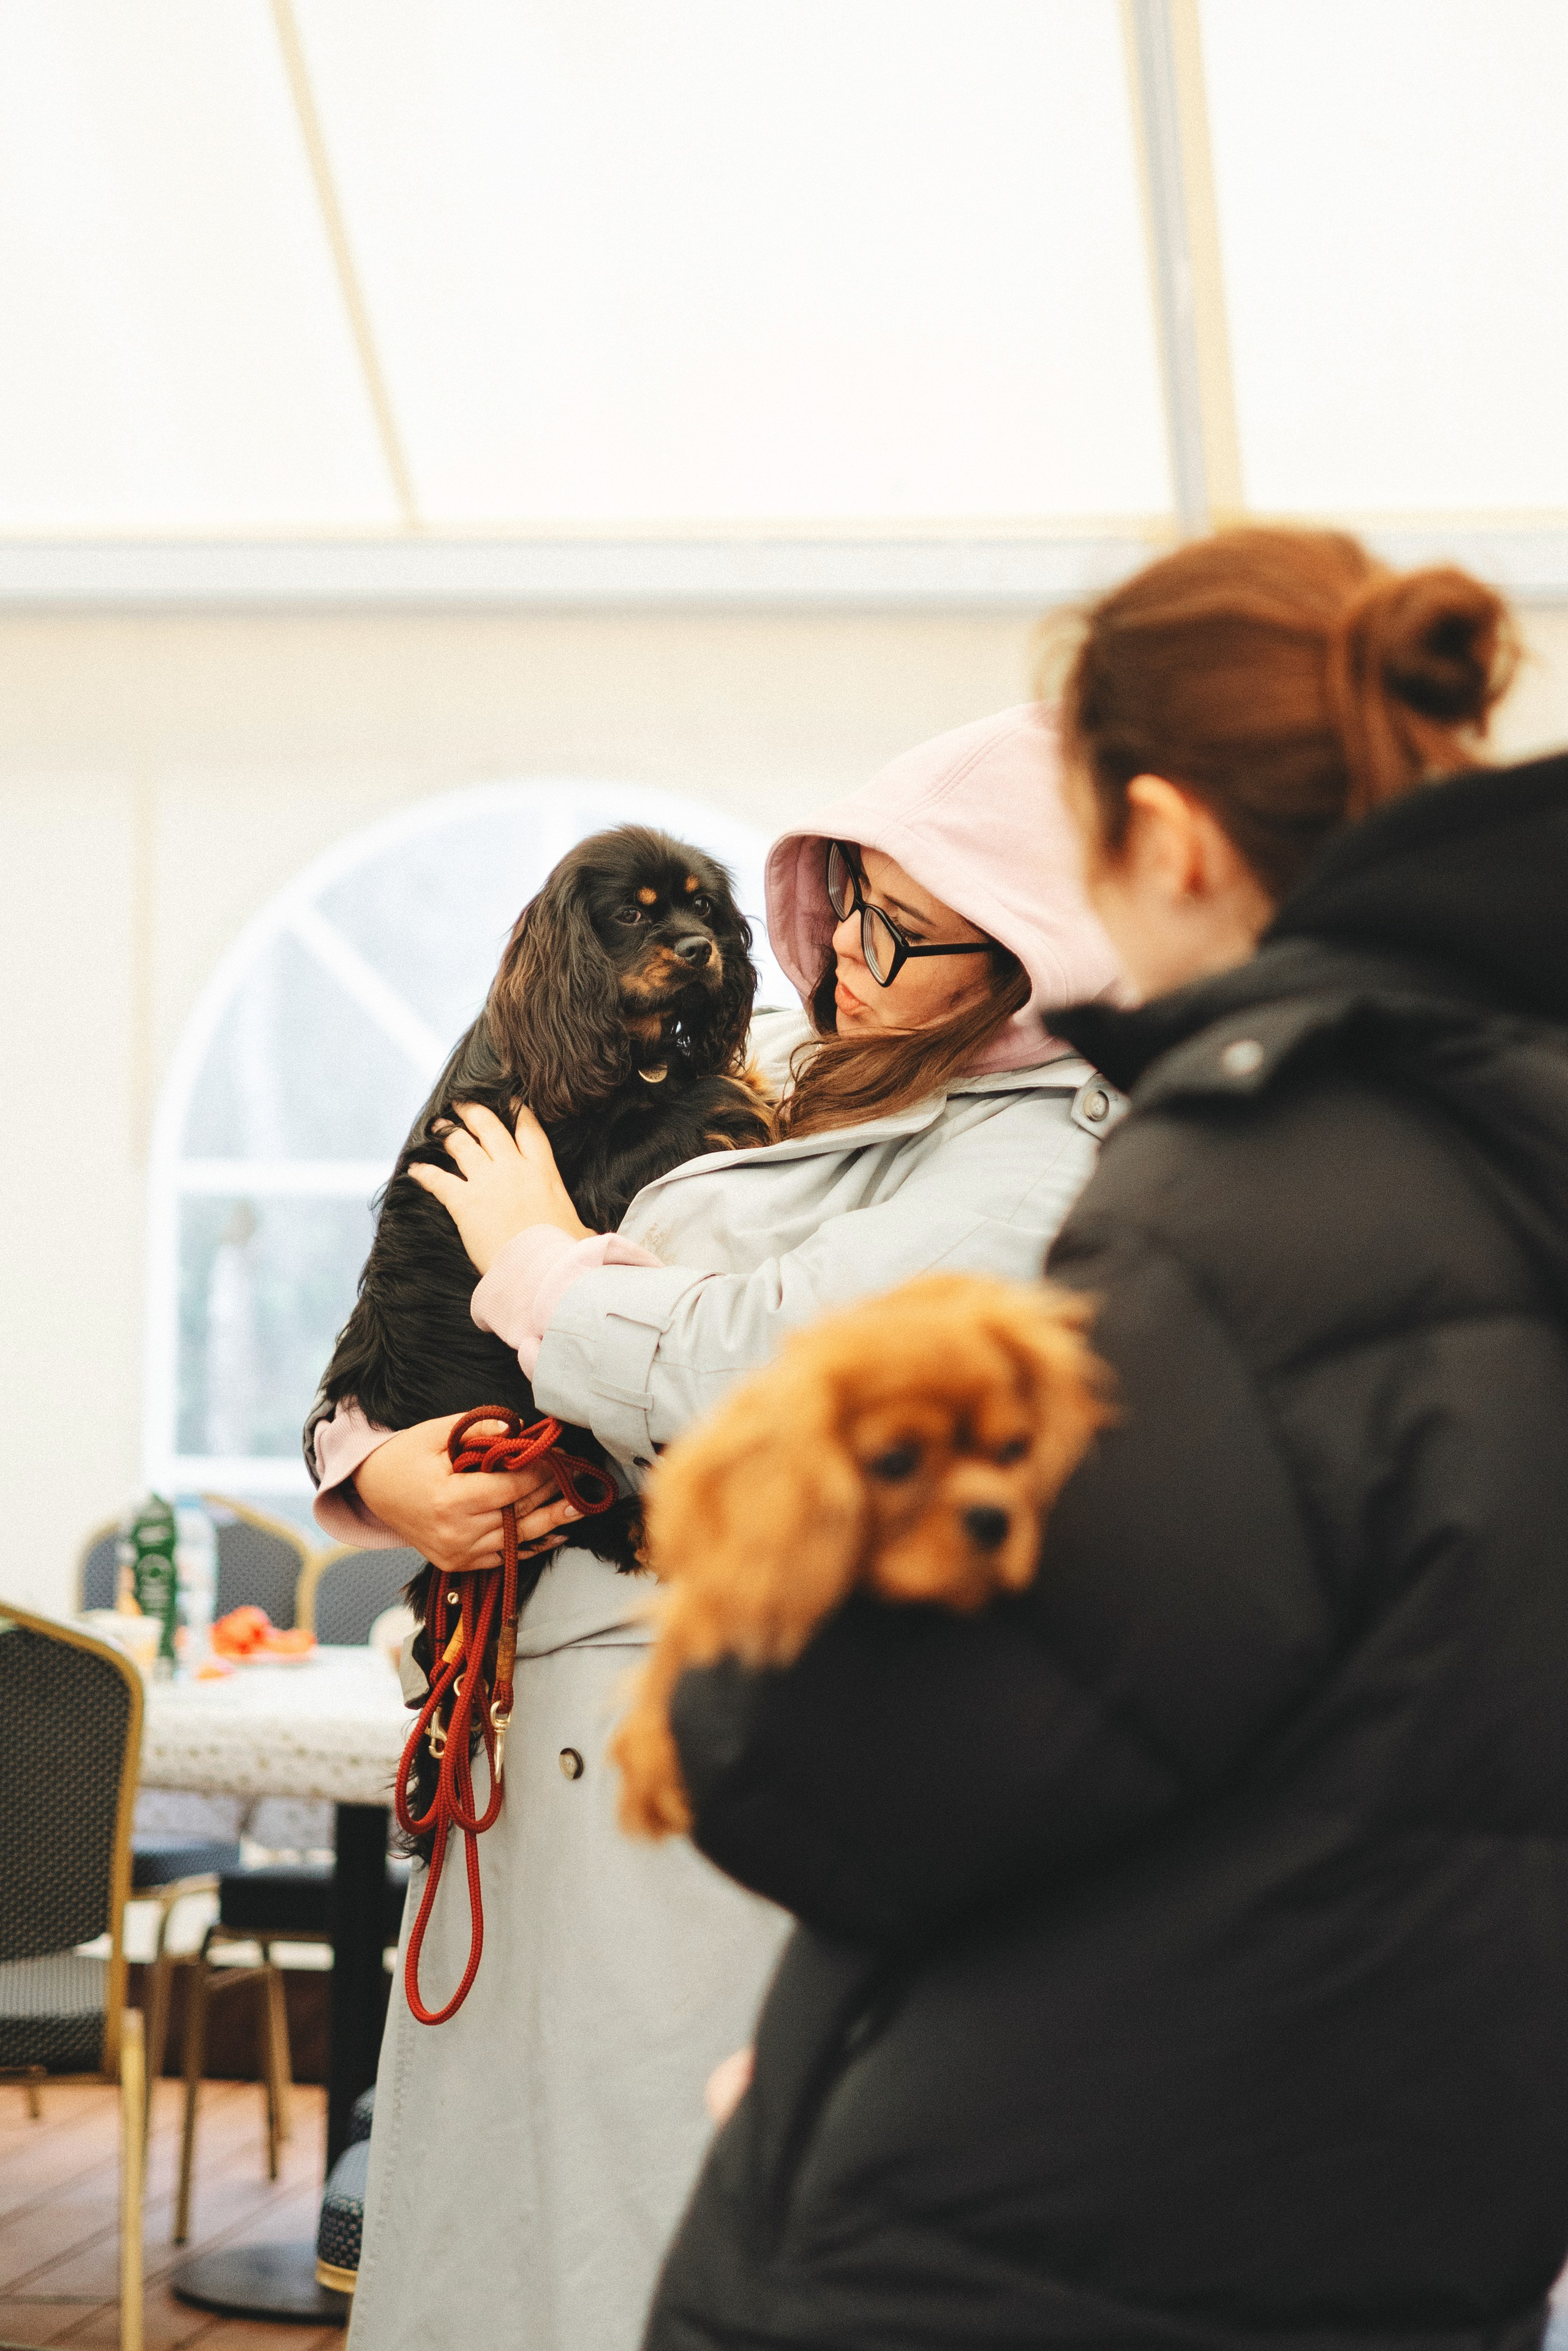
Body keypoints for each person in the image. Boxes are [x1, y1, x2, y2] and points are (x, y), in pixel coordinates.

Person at [644, 529, 1568, 2351]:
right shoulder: (1509, 1157)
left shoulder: (1255, 1197)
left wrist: (746, 1619)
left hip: (1057, 2235)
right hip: (1385, 2213)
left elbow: (857, 1776)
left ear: (1172, 837)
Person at [307, 704, 1121, 2351]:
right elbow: (397, 1323)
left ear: (1033, 950)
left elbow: (759, 1370)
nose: (850, 954)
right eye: (852, 905)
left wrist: (541, 1262)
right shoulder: (813, 1099)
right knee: (501, 2245)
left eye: (901, 925)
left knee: (634, 2248)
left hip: (704, 1779)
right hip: (532, 1750)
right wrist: (376, 1471)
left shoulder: (1040, 1163)